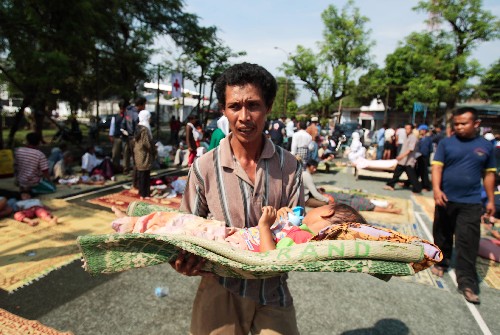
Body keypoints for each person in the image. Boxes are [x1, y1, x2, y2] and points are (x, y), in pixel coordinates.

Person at [174, 62, 304, 335]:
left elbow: (297, 232)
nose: (244, 116)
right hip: (219, 290)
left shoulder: (289, 166)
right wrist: (180, 260)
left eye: (254, 105)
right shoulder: (204, 167)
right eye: (235, 106)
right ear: (224, 110)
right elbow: (183, 228)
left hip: (273, 292)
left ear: (268, 107)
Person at [430, 107, 496, 304]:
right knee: (442, 233)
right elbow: (437, 168)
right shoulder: (446, 143)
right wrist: (436, 189)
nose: (459, 127)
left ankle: (467, 282)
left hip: (471, 202)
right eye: (456, 124)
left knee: (468, 242)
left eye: (463, 123)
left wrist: (491, 200)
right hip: (445, 199)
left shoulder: (486, 146)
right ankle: (441, 261)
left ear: (476, 124)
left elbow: (489, 174)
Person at [383, 123, 422, 194]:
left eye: (408, 129)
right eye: (406, 129)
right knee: (397, 173)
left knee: (411, 175)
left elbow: (410, 149)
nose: (406, 130)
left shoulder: (413, 137)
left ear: (411, 129)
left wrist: (401, 156)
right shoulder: (406, 137)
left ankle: (417, 188)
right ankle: (391, 185)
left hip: (408, 160)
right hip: (403, 160)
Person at [14, 132, 56, 197]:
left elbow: (15, 166)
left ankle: (24, 188)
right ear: (39, 142)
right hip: (33, 182)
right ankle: (30, 190)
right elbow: (45, 171)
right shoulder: (39, 154)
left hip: (21, 180)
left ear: (27, 141)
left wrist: (17, 178)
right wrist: (50, 181)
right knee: (53, 188)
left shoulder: (18, 151)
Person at [133, 110, 156, 199]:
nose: (150, 120)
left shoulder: (138, 127)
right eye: (149, 118)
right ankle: (144, 194)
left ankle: (141, 192)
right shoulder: (145, 129)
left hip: (138, 152)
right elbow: (147, 143)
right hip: (144, 153)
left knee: (141, 173)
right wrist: (153, 149)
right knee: (145, 174)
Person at [121, 97, 144, 175]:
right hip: (134, 137)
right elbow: (137, 126)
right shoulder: (137, 114)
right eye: (144, 105)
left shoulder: (128, 111)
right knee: (136, 154)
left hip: (126, 135)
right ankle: (136, 170)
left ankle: (126, 170)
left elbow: (123, 123)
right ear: (141, 105)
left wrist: (124, 131)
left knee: (126, 154)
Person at [109, 100, 126, 172]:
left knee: (126, 154)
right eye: (121, 108)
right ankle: (116, 168)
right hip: (117, 137)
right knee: (115, 154)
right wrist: (111, 135)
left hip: (125, 138)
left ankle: (125, 169)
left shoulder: (128, 116)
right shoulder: (115, 117)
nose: (123, 110)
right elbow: (112, 126)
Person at [416, 124, 433, 191]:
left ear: (424, 130)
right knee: (417, 171)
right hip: (420, 156)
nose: (419, 131)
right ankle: (409, 182)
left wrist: (421, 154)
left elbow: (426, 149)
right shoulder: (421, 138)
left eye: (420, 130)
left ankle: (426, 186)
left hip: (424, 157)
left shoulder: (427, 139)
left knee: (424, 172)